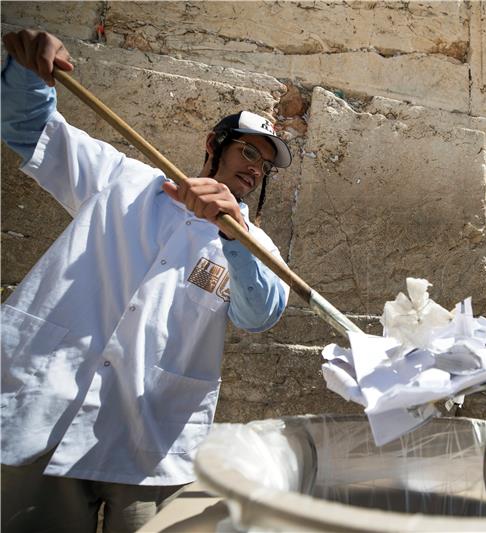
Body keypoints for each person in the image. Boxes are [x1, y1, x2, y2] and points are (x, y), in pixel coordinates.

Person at [1, 29, 291, 532]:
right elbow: (28, 129)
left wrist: (234, 236)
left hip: (149, 445)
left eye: (265, 165)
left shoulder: (255, 246)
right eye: (248, 152)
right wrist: (30, 71)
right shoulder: (125, 180)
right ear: (213, 145)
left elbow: (259, 314)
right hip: (47, 413)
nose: (255, 170)